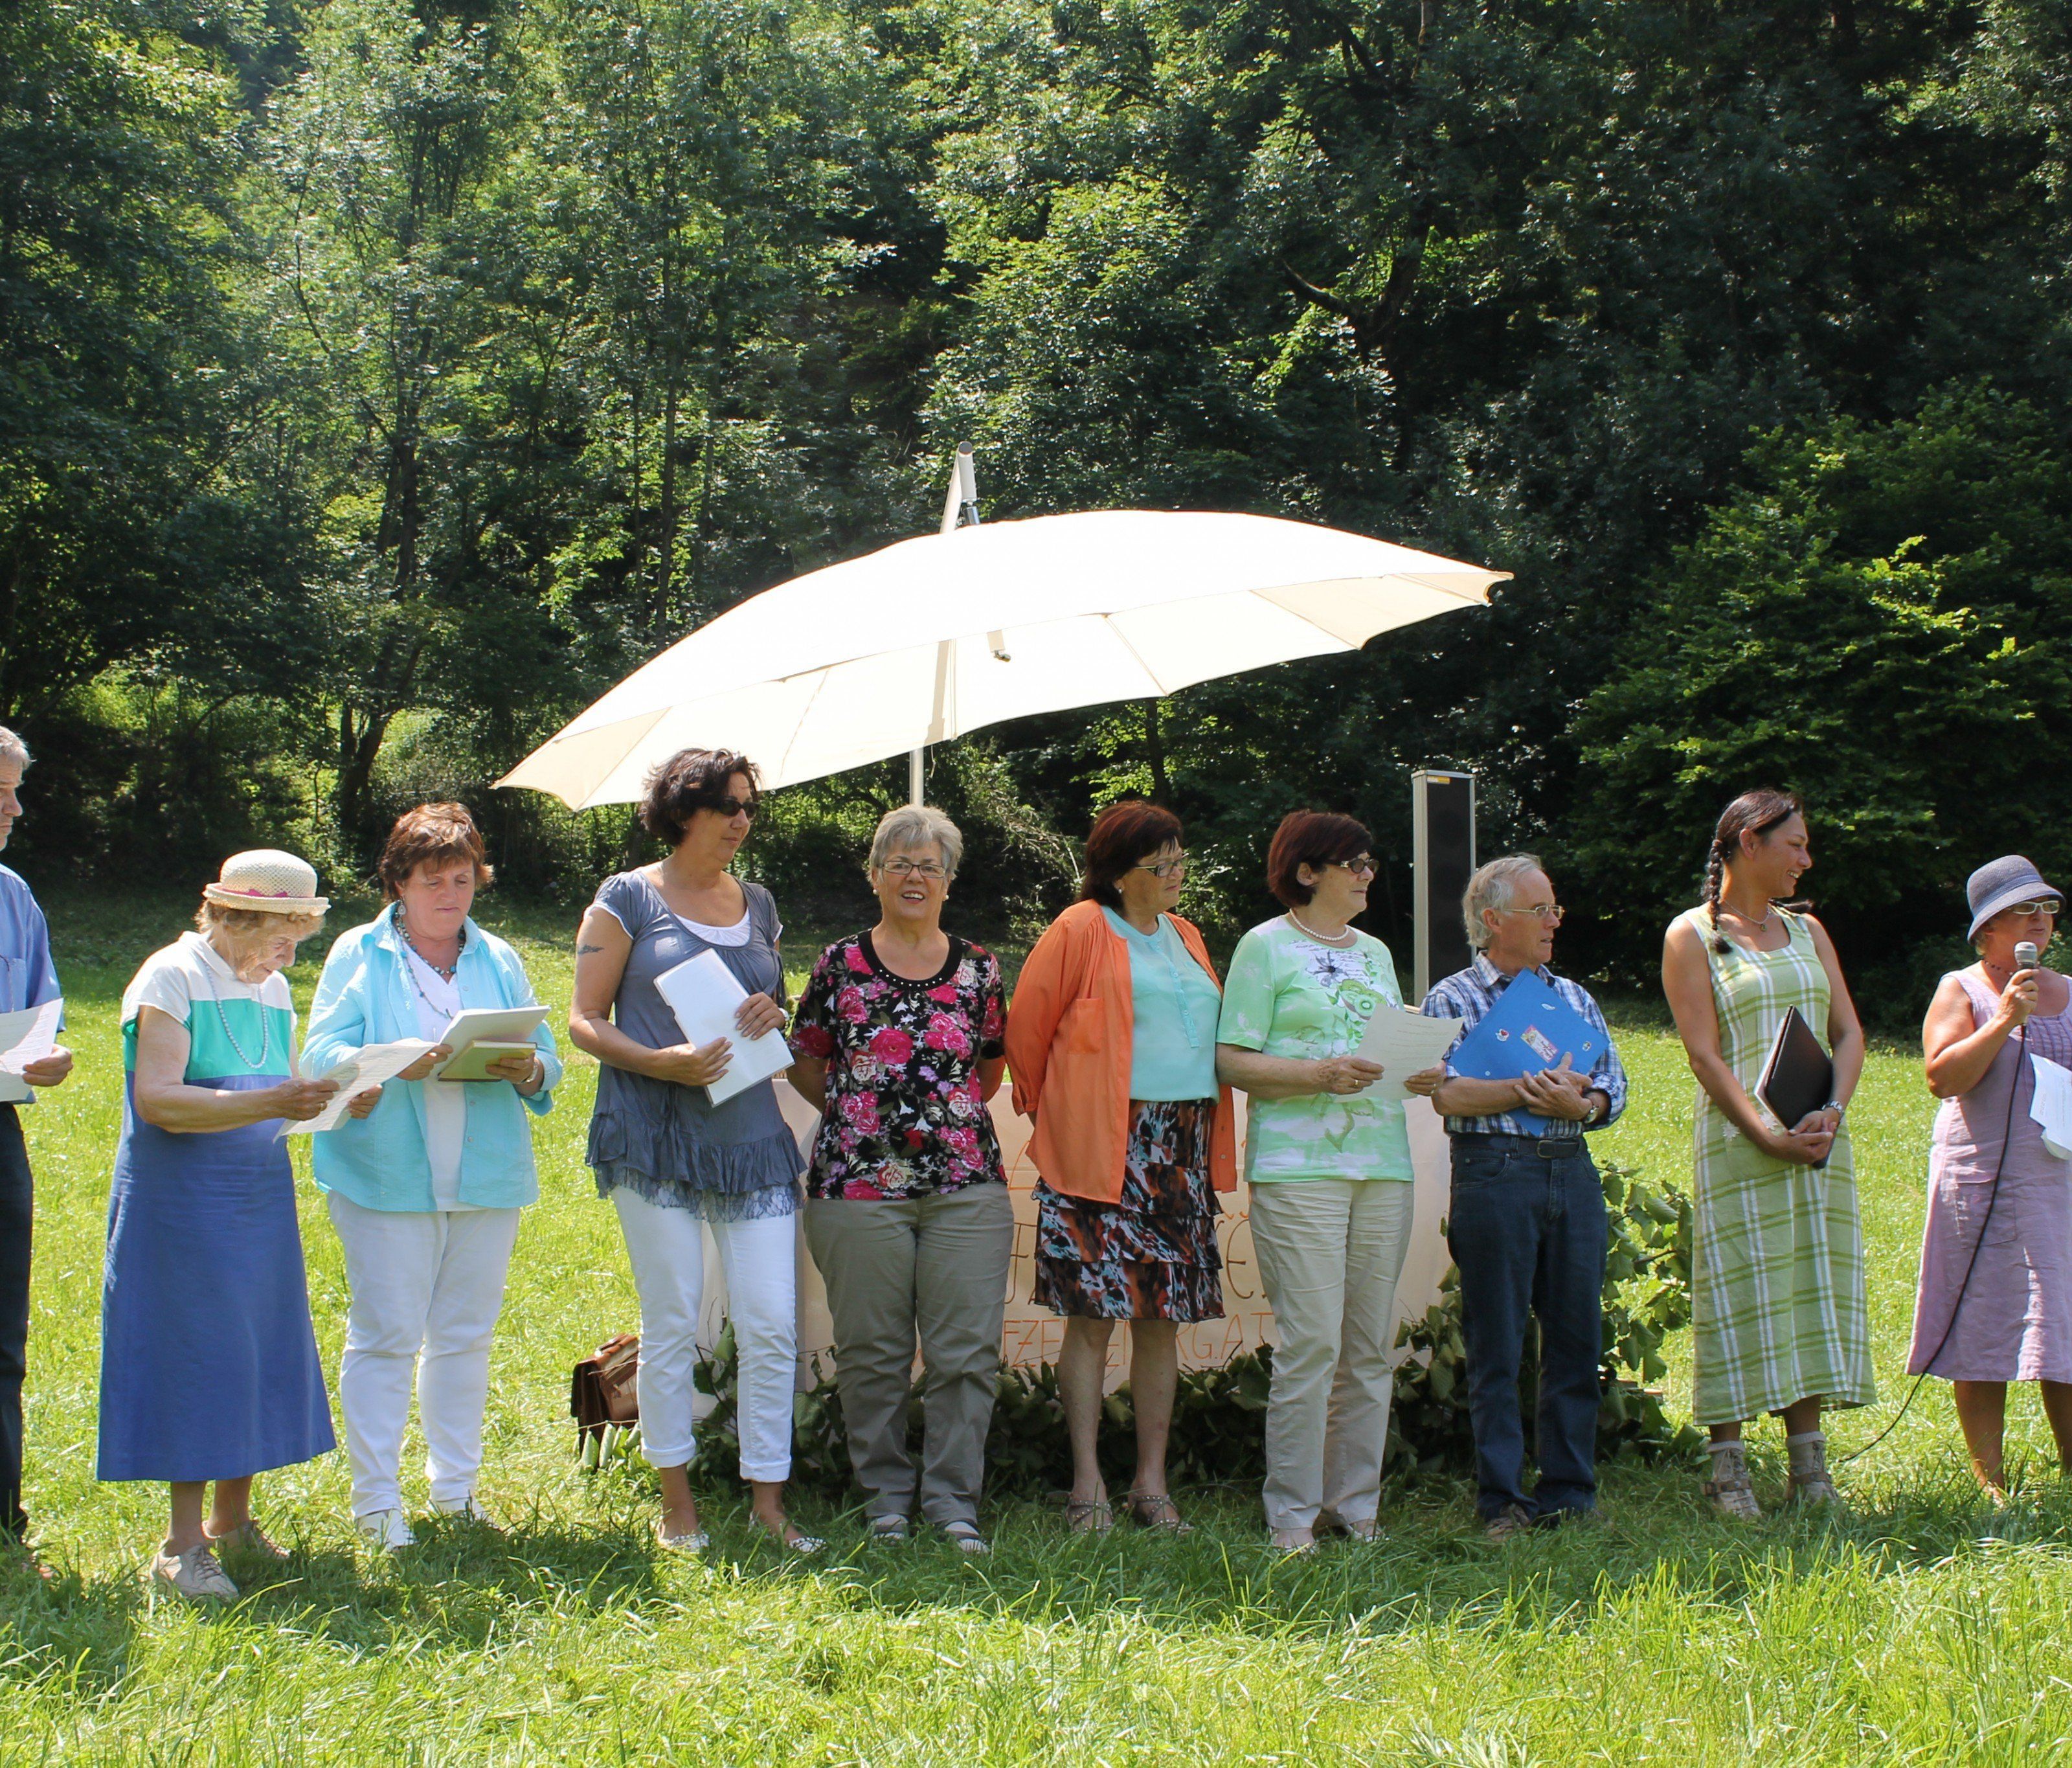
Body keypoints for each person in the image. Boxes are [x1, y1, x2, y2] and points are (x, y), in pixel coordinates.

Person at [100, 850, 372, 1604]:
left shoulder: (274, 986)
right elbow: (160, 1100)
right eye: (284, 932)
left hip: (254, 1191)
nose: (293, 951)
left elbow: (276, 1092)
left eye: (300, 933)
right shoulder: (171, 976)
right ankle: (180, 1545)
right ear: (238, 918)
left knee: (253, 1345)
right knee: (197, 1353)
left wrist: (341, 1101)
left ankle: (232, 1520)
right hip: (182, 1198)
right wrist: (274, 1104)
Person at [569, 749, 816, 1555]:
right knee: (673, 1323)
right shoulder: (626, 898)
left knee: (772, 1325)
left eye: (749, 805)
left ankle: (769, 1505)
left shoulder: (761, 903)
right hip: (655, 1138)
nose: (743, 820)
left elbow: (773, 1000)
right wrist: (658, 1062)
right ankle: (677, 1507)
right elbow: (582, 1020)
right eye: (727, 806)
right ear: (682, 812)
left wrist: (770, 1012)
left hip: (749, 1141)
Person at [303, 804, 563, 1550]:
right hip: (386, 1170)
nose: (449, 895)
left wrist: (529, 1067)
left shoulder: (498, 956)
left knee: (464, 1337)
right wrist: (384, 1059)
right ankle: (376, 1502)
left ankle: (455, 1491)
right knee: (385, 1334)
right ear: (397, 884)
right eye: (431, 882)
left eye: (462, 879)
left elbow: (547, 1057)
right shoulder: (359, 952)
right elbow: (319, 1053)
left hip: (484, 1171)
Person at [1005, 801, 1239, 1535]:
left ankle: (1150, 1485)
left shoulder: (1188, 934)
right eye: (1157, 864)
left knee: (1161, 1321)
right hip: (1101, 1149)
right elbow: (1025, 1032)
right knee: (1091, 1321)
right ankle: (1085, 1486)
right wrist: (1067, 1117)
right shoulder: (1077, 929)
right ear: (1116, 872)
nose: (1174, 874)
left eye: (1178, 859)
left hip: (1180, 1150)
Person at [790, 806, 1011, 1554]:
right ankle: (885, 1499)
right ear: (875, 875)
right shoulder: (837, 964)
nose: (915, 877)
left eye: (930, 865)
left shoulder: (980, 967)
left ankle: (954, 1505)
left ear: (949, 880)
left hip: (965, 1185)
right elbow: (808, 1059)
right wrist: (864, 1119)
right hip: (856, 1185)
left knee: (964, 1352)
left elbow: (987, 1068)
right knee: (872, 1351)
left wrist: (931, 1120)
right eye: (901, 863)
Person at [1215, 811, 1434, 1552]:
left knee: (1368, 1348)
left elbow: (1378, 1051)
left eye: (1370, 862)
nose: (1368, 873)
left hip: (1381, 1164)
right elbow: (1232, 1060)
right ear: (1307, 872)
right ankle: (1291, 1518)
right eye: (1353, 863)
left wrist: (1416, 1069)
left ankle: (1356, 1508)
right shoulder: (1262, 946)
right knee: (1311, 1345)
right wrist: (1316, 1074)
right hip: (1297, 1170)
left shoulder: (1374, 952)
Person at [1661, 789, 1871, 1519]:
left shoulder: (1806, 930)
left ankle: (1808, 1468)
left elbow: (1847, 1031)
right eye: (1794, 844)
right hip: (1741, 1146)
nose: (1805, 859)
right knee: (1741, 1288)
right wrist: (1763, 1133)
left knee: (1805, 1281)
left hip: (1815, 1141)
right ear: (1749, 843)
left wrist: (1830, 1114)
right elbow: (1703, 1056)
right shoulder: (1690, 936)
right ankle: (1726, 1471)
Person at [1419, 856, 1627, 1539]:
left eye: (1554, 910)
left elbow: (1612, 1088)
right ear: (1492, 920)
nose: (1553, 923)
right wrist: (1526, 1091)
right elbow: (1444, 1092)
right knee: (1497, 1342)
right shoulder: (1451, 997)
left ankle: (1569, 1491)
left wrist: (1585, 1103)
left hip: (1570, 1168)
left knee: (1574, 1337)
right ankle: (1500, 1501)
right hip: (1492, 1172)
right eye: (1540, 911)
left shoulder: (1571, 998)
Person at [1909, 856, 2072, 1499]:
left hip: (2058, 1184)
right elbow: (1939, 1078)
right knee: (1981, 1323)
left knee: (2064, 1323)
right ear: (1986, 930)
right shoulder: (1962, 989)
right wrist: (2003, 1019)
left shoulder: (2068, 989)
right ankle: (1990, 1485)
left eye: (2046, 908)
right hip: (1982, 1182)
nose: (2040, 917)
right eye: (2022, 910)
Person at [0, 727, 72, 1576]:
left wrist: (47, 1057)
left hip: (0, 1132)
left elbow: (40, 1008)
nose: (16, 807)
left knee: (4, 1341)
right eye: (3, 791)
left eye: (18, 789)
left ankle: (3, 1520)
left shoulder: (16, 898)